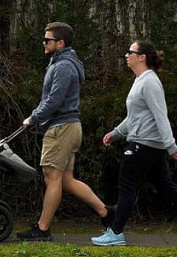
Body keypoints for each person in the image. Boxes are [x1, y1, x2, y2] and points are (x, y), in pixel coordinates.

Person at [92, 39, 177, 246]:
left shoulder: (150, 82)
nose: (126, 56)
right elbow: (135, 116)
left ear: (142, 57)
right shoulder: (141, 80)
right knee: (165, 185)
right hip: (148, 143)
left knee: (127, 186)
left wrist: (170, 144)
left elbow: (160, 115)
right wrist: (116, 133)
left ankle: (116, 233)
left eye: (130, 52)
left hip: (145, 143)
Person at [18, 22, 109, 242]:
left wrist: (34, 118)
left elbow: (54, 100)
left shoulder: (64, 66)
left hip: (61, 127)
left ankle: (42, 229)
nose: (44, 43)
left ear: (60, 43)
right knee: (66, 180)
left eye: (47, 40)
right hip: (67, 126)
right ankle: (107, 212)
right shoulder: (61, 63)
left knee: (52, 177)